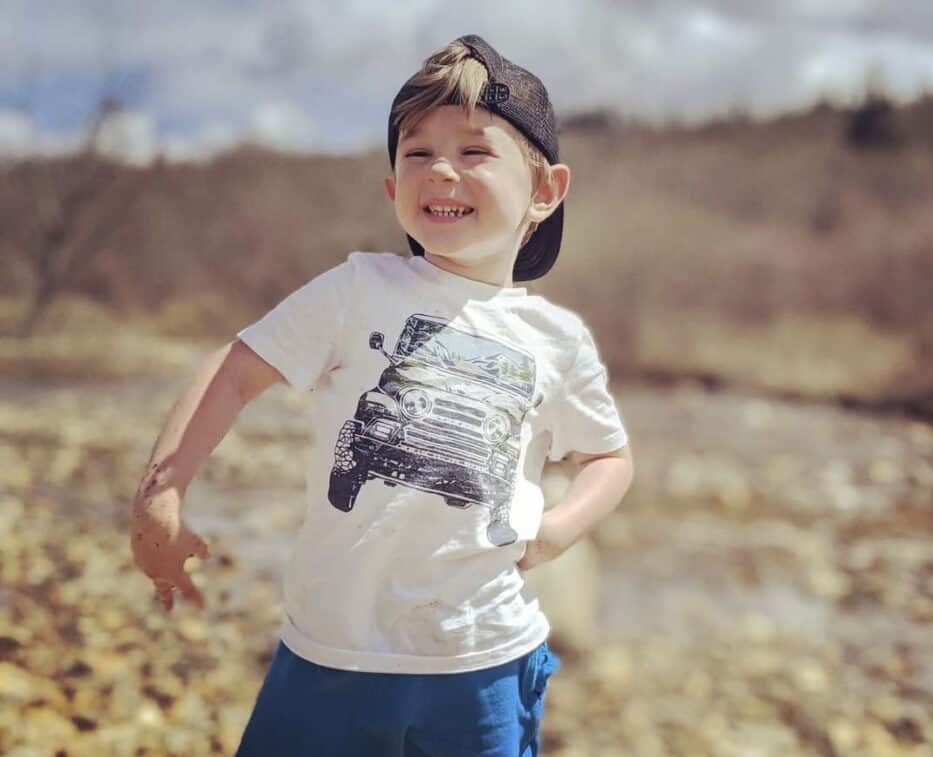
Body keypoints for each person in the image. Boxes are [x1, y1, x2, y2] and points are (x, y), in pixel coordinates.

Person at [130, 34, 633, 756]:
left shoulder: (555, 338)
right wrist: (161, 491)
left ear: (545, 191)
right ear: (394, 189)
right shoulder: (359, 290)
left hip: (483, 659)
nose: (442, 172)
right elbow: (236, 367)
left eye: (474, 151)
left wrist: (561, 526)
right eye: (418, 153)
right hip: (332, 655)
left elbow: (609, 455)